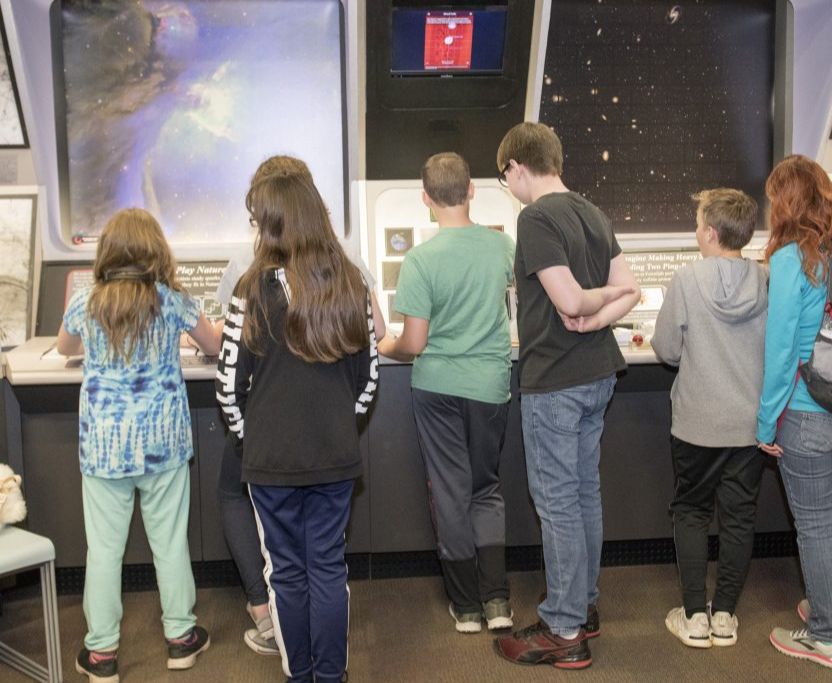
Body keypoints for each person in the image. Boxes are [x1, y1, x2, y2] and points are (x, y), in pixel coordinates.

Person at [211, 156, 385, 657]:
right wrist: (338, 423)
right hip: (333, 454)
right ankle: (329, 673)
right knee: (328, 567)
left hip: (271, 462)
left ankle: (301, 670)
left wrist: (252, 435)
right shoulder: (350, 279)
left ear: (271, 221)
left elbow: (228, 384)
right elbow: (368, 376)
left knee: (285, 571)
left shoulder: (250, 288)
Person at [491, 122, 639, 670]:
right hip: (598, 373)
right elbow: (629, 289)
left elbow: (570, 300)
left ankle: (564, 628)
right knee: (581, 495)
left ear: (515, 168)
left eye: (504, 177)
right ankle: (583, 606)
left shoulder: (535, 218)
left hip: (555, 379)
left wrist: (587, 310)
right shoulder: (591, 210)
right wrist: (600, 312)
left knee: (557, 502)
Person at [58, 208, 221, 683]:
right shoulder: (170, 300)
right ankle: (181, 639)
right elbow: (212, 343)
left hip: (105, 450)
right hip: (162, 445)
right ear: (156, 251)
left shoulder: (87, 301)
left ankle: (102, 654)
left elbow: (66, 348)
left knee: (103, 551)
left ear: (107, 251)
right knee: (168, 543)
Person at [377, 152, 516, 633]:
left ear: (425, 199)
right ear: (472, 190)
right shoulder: (502, 248)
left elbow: (413, 343)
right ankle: (498, 602)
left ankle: (467, 608)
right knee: (487, 488)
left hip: (436, 388)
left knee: (451, 492)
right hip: (490, 386)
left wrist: (383, 344)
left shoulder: (419, 260)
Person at [756, 155, 832, 670]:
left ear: (783, 203)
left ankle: (826, 634)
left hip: (808, 412)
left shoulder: (791, 259)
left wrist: (765, 422)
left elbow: (782, 347)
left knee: (815, 525)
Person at [651, 189, 768, 649]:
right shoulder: (766, 280)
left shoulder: (685, 279)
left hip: (697, 423)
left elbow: (666, 349)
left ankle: (694, 616)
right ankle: (725, 616)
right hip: (749, 424)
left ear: (712, 233)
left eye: (698, 223)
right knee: (739, 517)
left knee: (693, 511)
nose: (695, 231)